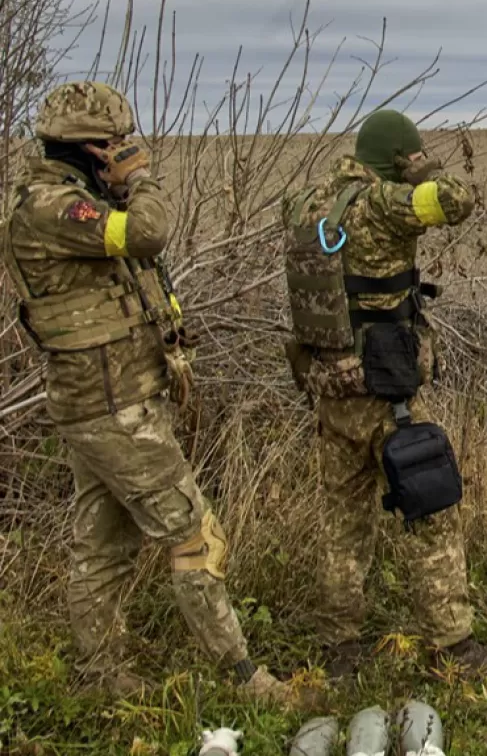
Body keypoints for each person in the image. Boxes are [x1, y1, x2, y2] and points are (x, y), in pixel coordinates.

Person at [0, 81, 300, 701]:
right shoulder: (52, 207)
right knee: (195, 535)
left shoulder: (64, 198)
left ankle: (99, 675)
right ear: (84, 147)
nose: (124, 152)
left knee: (103, 541)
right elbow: (148, 233)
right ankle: (245, 680)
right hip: (111, 407)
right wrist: (142, 180)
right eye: (114, 144)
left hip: (103, 398)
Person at [282, 109, 487, 677]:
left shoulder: (304, 203)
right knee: (432, 510)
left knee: (342, 519)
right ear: (396, 159)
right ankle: (453, 648)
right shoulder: (387, 204)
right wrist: (421, 170)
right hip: (385, 388)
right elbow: (457, 199)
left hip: (329, 386)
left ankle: (339, 650)